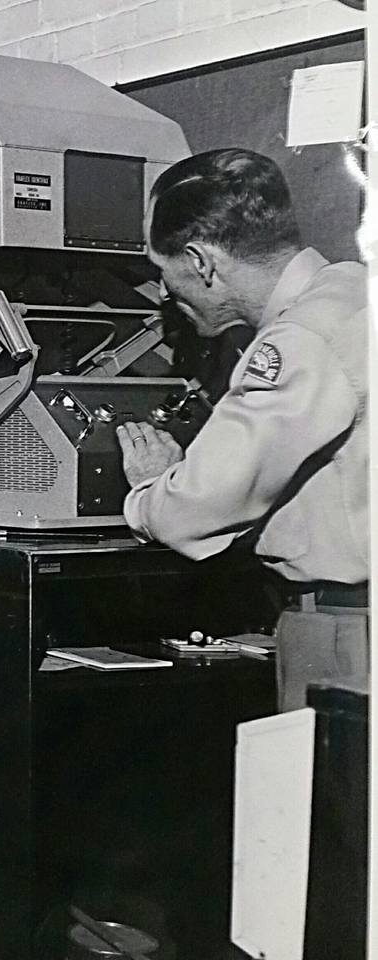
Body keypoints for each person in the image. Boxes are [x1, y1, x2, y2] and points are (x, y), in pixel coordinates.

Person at [115, 148, 368, 712]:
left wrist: (152, 487)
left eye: (163, 272)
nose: (165, 294)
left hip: (345, 630)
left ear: (201, 262)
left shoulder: (298, 338)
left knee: (325, 793)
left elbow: (194, 508)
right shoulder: (357, 291)